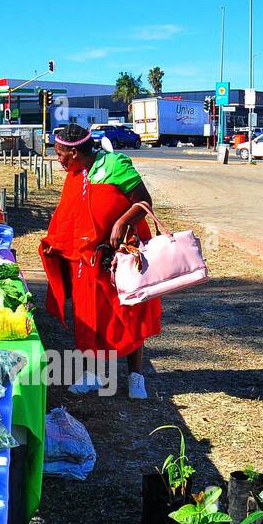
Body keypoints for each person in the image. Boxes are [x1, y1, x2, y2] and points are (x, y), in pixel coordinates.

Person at [39, 123, 161, 400]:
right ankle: (93, 375)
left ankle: (135, 377)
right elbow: (68, 214)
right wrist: (56, 243)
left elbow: (143, 202)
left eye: (59, 154)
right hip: (87, 260)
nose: (57, 159)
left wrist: (120, 222)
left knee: (129, 313)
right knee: (88, 318)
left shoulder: (115, 165)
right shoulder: (75, 174)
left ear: (74, 152)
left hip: (120, 256)